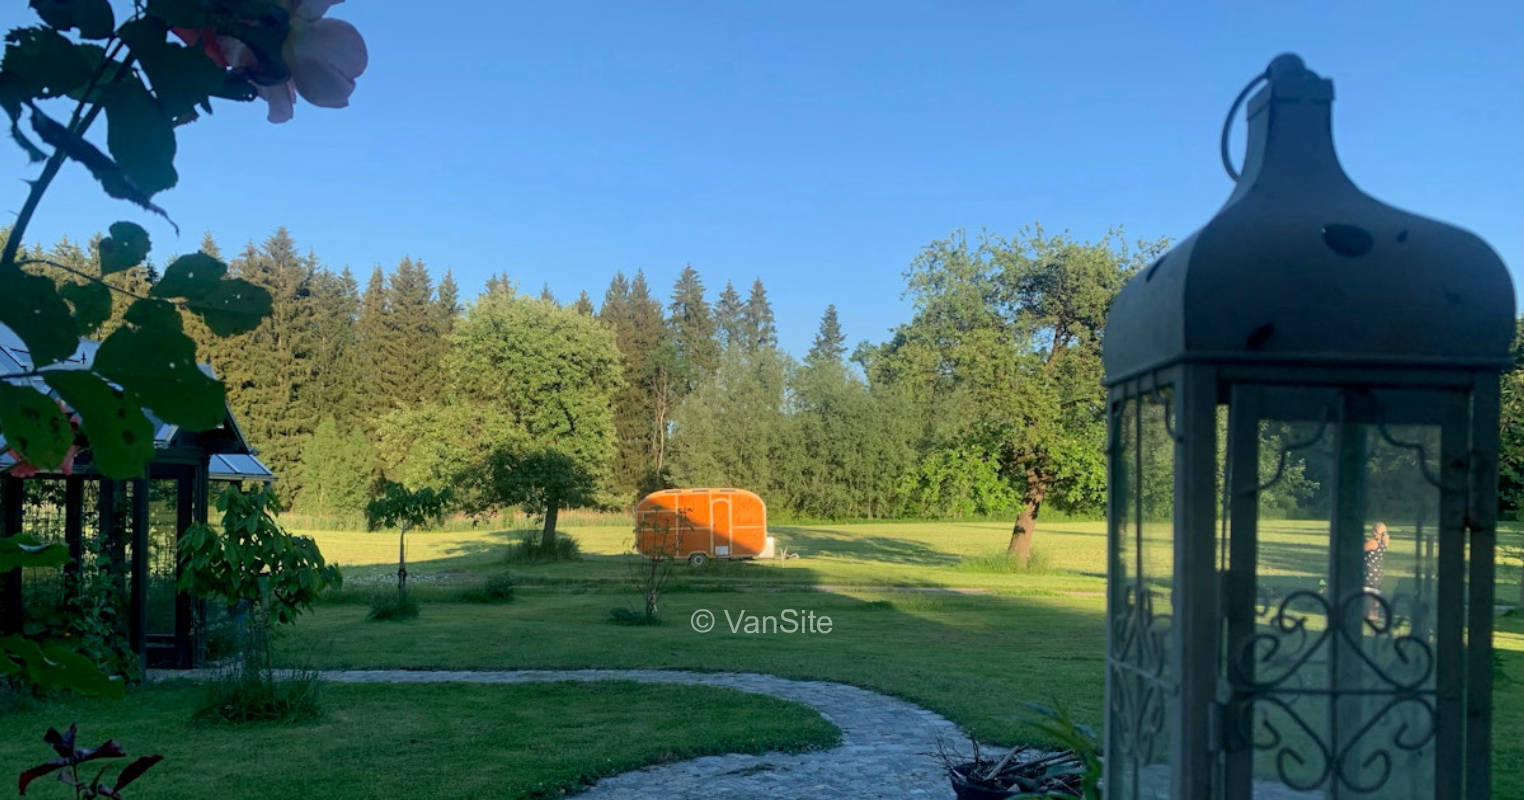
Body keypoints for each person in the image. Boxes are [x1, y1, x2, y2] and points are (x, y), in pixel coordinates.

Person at [1363, 521, 1390, 622]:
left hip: (1369, 573)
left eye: (1372, 529)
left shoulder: (1373, 543)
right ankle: (1374, 616)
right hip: (1377, 574)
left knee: (1368, 596)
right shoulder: (1383, 543)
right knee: (1375, 595)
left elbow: (1360, 549)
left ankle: (1369, 616)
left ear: (1375, 531)